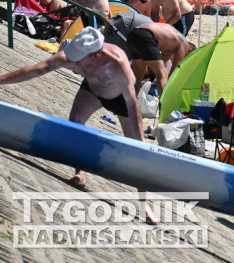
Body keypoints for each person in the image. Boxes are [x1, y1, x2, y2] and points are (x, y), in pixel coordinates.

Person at [0, 28, 144, 188]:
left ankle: (144, 201)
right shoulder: (69, 56)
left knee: (136, 148)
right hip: (92, 91)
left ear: (96, 56)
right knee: (75, 123)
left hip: (121, 99)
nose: (72, 61)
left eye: (78, 59)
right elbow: (34, 70)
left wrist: (141, 141)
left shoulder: (117, 63)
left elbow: (132, 103)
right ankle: (79, 173)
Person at [106, 13, 193, 93]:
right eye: (187, 57)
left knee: (138, 77)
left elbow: (164, 63)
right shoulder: (184, 45)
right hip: (146, 35)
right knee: (161, 75)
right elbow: (173, 73)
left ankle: (132, 103)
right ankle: (164, 108)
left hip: (133, 34)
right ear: (189, 50)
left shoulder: (170, 45)